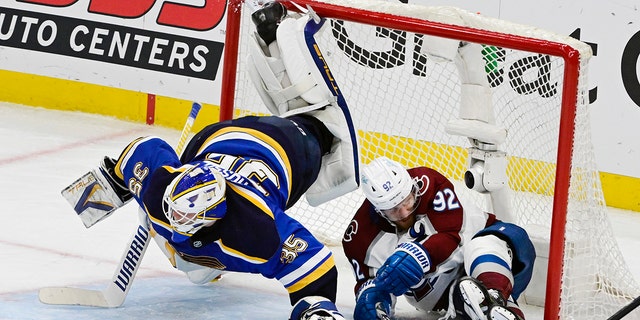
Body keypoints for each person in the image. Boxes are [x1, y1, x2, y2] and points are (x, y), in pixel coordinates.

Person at [63, 3, 359, 319]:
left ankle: (283, 42)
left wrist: (316, 307)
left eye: (182, 217)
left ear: (213, 217)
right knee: (187, 260)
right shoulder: (160, 190)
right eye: (172, 211)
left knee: (321, 128)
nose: (174, 220)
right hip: (215, 139)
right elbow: (144, 148)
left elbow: (316, 265)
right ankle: (277, 41)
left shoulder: (255, 227)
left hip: (287, 146)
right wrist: (117, 180)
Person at [342, 157, 536, 320]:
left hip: (502, 258)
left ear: (413, 187)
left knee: (481, 246)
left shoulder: (430, 183)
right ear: (378, 210)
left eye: (408, 201)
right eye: (393, 211)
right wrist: (372, 302)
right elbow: (371, 285)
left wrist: (421, 255)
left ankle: (492, 295)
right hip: (444, 298)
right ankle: (485, 307)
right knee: (484, 308)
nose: (404, 213)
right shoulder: (358, 239)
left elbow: (453, 236)